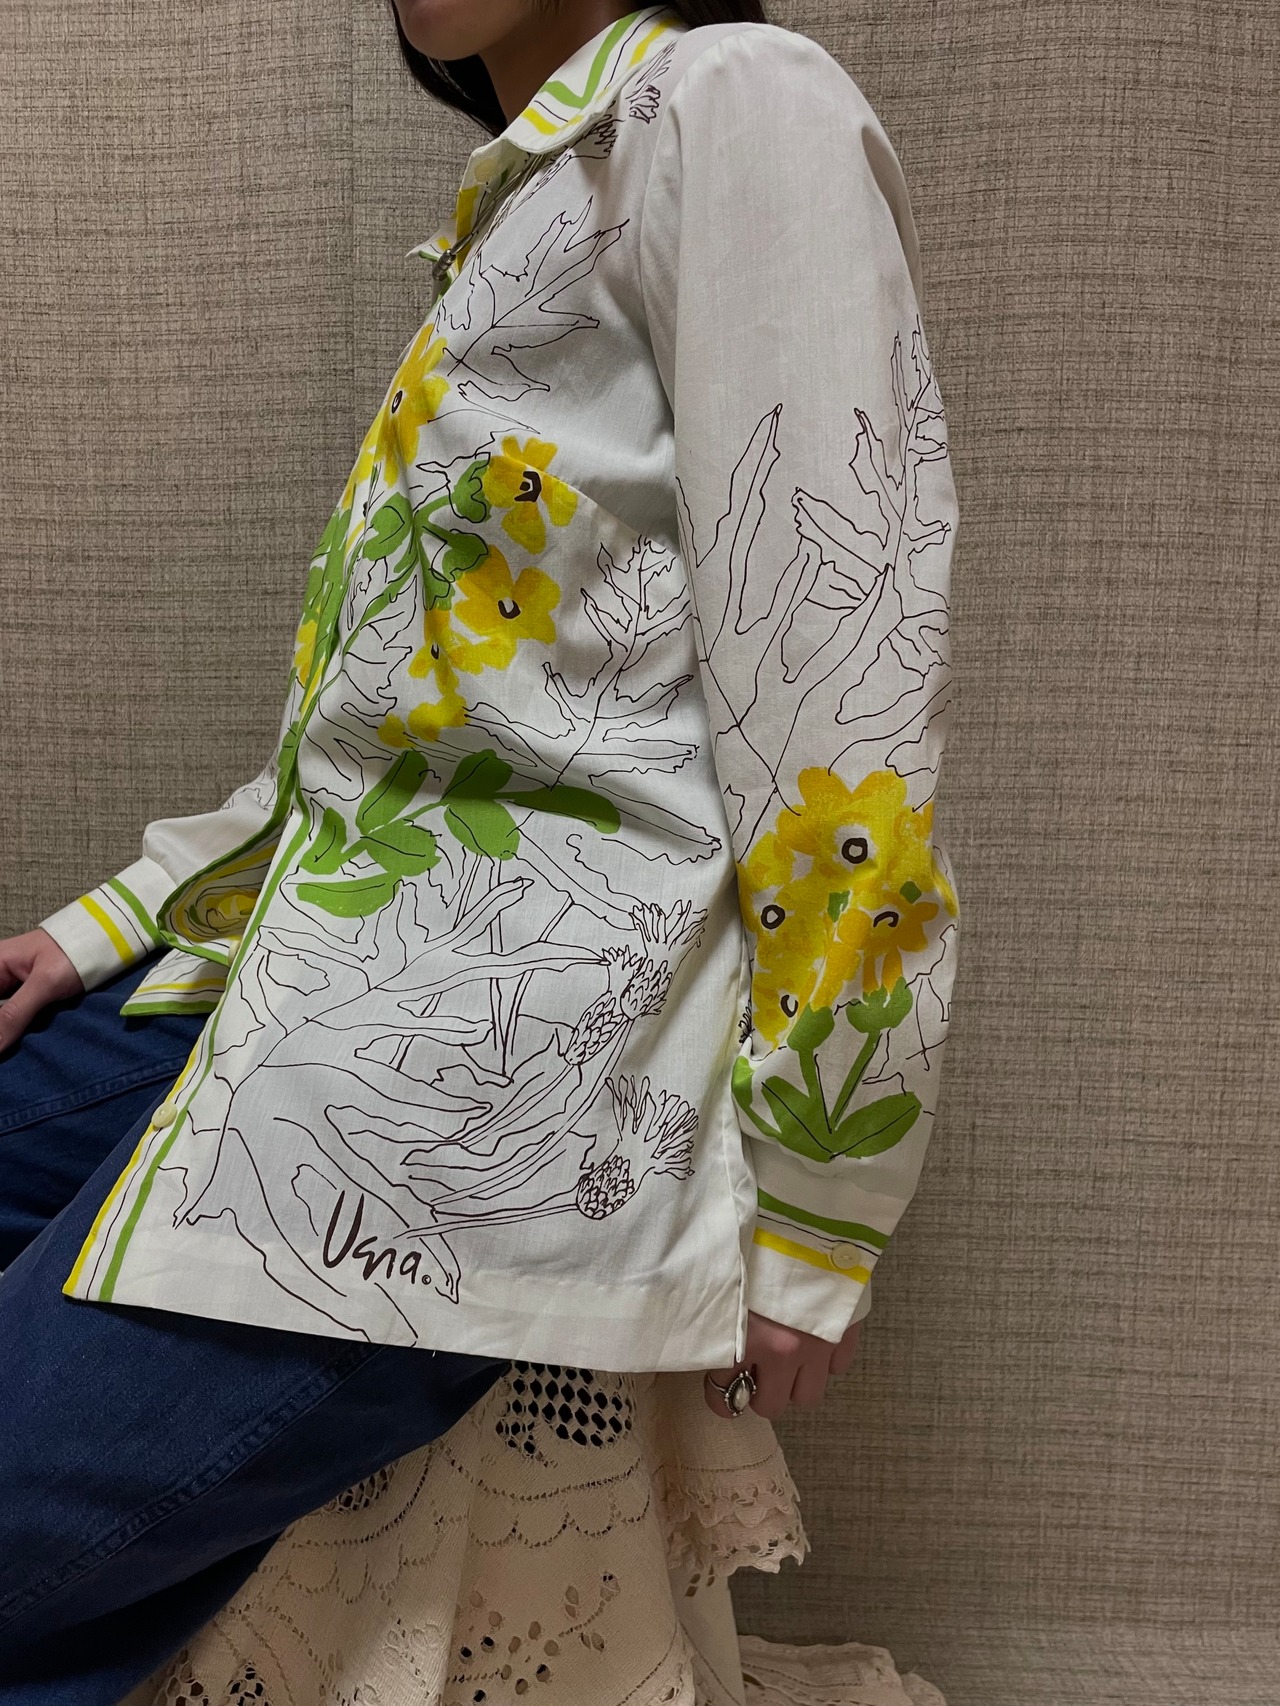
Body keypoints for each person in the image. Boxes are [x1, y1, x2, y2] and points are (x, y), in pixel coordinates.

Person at [0, 0, 961, 1697]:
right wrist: (114, 922)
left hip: (467, 1091)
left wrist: (825, 1182)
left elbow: (843, 665)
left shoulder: (736, 100)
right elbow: (397, 734)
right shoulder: (520, 209)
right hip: (289, 979)